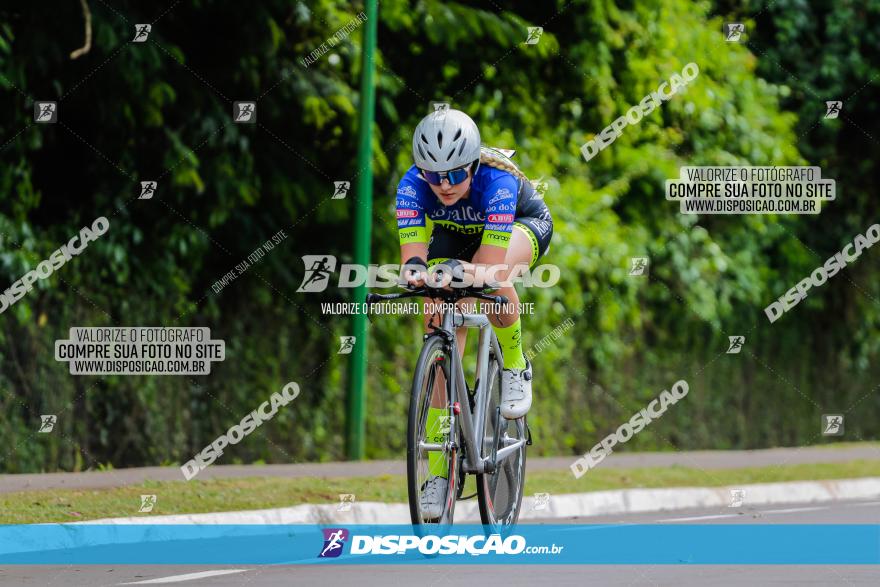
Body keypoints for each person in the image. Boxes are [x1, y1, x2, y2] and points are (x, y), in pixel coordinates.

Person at [395, 109, 553, 517]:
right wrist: (417, 276)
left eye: (454, 175)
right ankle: (438, 473)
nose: (444, 185)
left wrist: (466, 274)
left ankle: (516, 366)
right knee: (436, 311)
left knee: (491, 279)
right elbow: (412, 260)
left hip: (519, 225)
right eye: (434, 176)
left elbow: (490, 265)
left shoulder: (497, 182)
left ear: (473, 165)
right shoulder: (412, 186)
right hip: (455, 233)